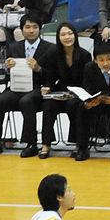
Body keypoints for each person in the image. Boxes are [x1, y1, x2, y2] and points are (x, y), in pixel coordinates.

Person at [0, 12, 57, 156]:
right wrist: (8, 68)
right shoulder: (14, 47)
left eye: (35, 27)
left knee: (27, 101)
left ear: (40, 29)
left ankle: (31, 144)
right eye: (27, 27)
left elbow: (53, 75)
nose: (31, 30)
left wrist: (38, 69)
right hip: (17, 86)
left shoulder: (50, 48)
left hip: (38, 88)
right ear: (22, 30)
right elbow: (9, 73)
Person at [38, 22, 90, 159]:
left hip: (78, 92)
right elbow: (50, 76)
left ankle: (78, 144)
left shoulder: (85, 55)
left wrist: (76, 94)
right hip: (61, 91)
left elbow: (87, 80)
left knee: (74, 105)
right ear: (58, 37)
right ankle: (46, 144)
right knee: (48, 105)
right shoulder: (53, 53)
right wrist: (47, 87)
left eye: (70, 34)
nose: (67, 37)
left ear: (75, 36)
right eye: (63, 35)